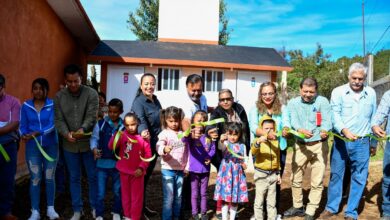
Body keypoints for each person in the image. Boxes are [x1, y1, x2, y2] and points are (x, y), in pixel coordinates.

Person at [320, 63, 377, 220]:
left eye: (361, 78)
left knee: (359, 177)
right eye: (354, 78)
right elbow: (334, 115)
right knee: (337, 175)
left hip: (362, 142)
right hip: (341, 141)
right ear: (348, 77)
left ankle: (351, 212)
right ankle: (331, 207)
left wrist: (374, 143)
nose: (357, 81)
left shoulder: (371, 93)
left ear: (365, 78)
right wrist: (344, 130)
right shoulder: (338, 92)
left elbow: (374, 118)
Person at [283, 77, 332, 220]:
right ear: (300, 90)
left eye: (311, 91)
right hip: (301, 145)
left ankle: (310, 211)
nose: (308, 94)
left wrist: (324, 129)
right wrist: (299, 129)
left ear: (316, 91)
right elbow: (291, 120)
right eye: (305, 91)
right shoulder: (293, 103)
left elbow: (327, 120)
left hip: (319, 145)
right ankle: (297, 206)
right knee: (295, 178)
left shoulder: (322, 101)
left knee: (316, 181)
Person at [54, 64, 98, 220]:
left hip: (88, 144)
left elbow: (92, 116)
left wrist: (82, 129)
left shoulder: (92, 94)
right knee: (74, 177)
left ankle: (95, 208)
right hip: (69, 145)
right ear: (65, 80)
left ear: (82, 79)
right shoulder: (59, 97)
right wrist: (66, 134)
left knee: (93, 176)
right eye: (69, 81)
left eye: (76, 81)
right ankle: (77, 210)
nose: (72, 85)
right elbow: (58, 119)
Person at [205, 88, 249, 219]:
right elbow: (210, 125)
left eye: (228, 99)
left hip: (239, 150)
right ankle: (220, 209)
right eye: (222, 99)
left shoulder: (239, 109)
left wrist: (246, 149)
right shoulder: (217, 112)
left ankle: (232, 209)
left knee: (235, 183)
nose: (225, 102)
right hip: (223, 151)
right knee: (224, 183)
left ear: (232, 99)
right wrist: (212, 133)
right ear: (219, 101)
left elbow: (246, 126)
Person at [19, 78, 59, 220]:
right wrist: (23, 135)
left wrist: (38, 132)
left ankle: (50, 208)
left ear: (46, 90)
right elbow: (22, 125)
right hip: (32, 148)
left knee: (49, 177)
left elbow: (53, 125)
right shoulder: (26, 106)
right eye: (35, 88)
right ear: (32, 90)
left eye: (41, 88)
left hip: (51, 147)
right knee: (35, 178)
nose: (38, 91)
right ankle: (35, 211)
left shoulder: (53, 105)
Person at [248, 81, 288, 219]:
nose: (267, 96)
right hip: (261, 150)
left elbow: (287, 123)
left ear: (275, 94)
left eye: (270, 93)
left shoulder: (282, 108)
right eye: (264, 94)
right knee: (261, 182)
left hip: (279, 149)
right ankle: (259, 212)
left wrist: (285, 130)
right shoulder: (255, 109)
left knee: (275, 181)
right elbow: (253, 126)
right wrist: (266, 135)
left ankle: (273, 212)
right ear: (260, 95)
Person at [108, 112, 152, 220]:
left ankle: (135, 217)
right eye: (127, 125)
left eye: (133, 124)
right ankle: (127, 216)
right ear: (124, 124)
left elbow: (148, 155)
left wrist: (141, 167)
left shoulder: (142, 138)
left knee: (136, 198)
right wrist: (116, 135)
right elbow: (110, 146)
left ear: (137, 123)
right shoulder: (122, 135)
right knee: (126, 196)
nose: (130, 127)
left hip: (137, 173)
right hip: (124, 172)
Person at [130, 73, 162, 219]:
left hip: (154, 145)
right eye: (147, 84)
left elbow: (161, 120)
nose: (150, 86)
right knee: (140, 180)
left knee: (145, 179)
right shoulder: (138, 102)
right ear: (141, 85)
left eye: (152, 83)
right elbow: (140, 120)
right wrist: (143, 130)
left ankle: (142, 207)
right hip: (143, 147)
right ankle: (137, 211)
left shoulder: (156, 101)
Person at [90, 98, 124, 220]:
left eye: (115, 112)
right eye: (110, 111)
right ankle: (99, 214)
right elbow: (94, 138)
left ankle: (116, 212)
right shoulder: (101, 124)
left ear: (121, 112)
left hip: (118, 166)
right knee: (100, 192)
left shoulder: (124, 127)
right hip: (101, 166)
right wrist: (94, 149)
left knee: (117, 191)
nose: (112, 114)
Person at [182, 110, 216, 220]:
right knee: (194, 193)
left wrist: (209, 157)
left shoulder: (209, 136)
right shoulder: (192, 136)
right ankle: (194, 213)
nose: (201, 123)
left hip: (205, 170)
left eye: (204, 121)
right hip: (193, 170)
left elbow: (213, 149)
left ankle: (204, 212)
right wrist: (189, 133)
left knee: (204, 193)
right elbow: (183, 139)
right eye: (198, 120)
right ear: (193, 122)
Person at [156, 106, 187, 220]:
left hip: (180, 170)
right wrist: (164, 149)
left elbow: (187, 151)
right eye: (171, 121)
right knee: (169, 197)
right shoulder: (164, 133)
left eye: (176, 121)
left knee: (178, 197)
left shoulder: (183, 134)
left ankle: (176, 217)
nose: (174, 123)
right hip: (167, 170)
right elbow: (159, 145)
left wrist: (186, 166)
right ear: (165, 120)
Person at [214, 122, 249, 220]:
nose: (232, 137)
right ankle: (225, 218)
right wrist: (221, 140)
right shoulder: (225, 143)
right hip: (226, 173)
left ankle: (232, 218)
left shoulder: (243, 146)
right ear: (226, 134)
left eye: (235, 134)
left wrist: (245, 164)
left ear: (239, 135)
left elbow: (244, 158)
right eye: (230, 134)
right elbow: (220, 147)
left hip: (237, 174)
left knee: (235, 197)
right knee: (225, 198)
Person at [251, 115, 281, 220]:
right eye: (266, 129)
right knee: (259, 201)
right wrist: (258, 142)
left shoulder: (276, 141)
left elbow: (277, 158)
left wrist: (278, 173)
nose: (269, 131)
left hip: (273, 175)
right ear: (261, 129)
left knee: (272, 202)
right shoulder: (257, 141)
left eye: (271, 128)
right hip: (261, 175)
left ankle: (272, 218)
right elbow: (253, 152)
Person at [0, 73, 20, 220]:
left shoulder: (13, 102)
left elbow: (14, 124)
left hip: (8, 147)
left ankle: (6, 211)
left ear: (3, 87)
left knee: (7, 180)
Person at [372, 89, 390, 220]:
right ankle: (387, 211)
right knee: (388, 179)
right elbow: (381, 113)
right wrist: (375, 125)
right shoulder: (389, 94)